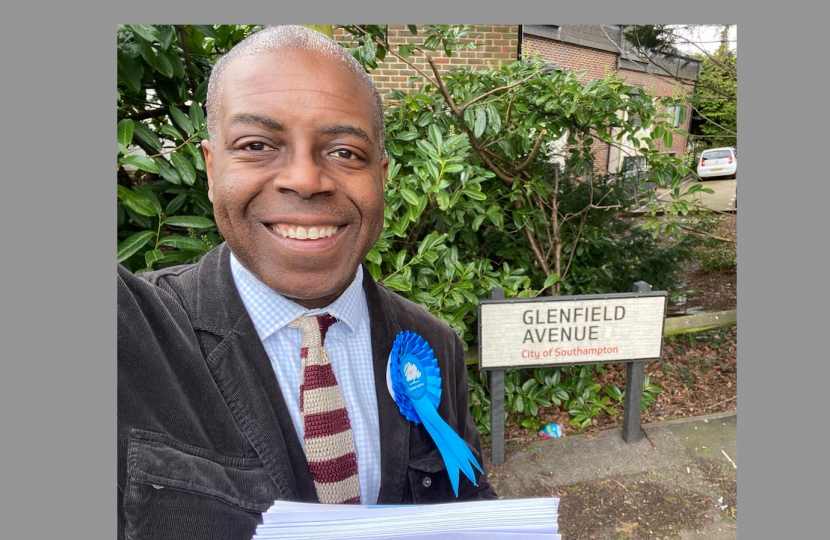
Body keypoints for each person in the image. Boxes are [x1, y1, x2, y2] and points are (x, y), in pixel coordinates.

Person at [117, 25, 497, 540]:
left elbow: (465, 499)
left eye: (344, 152)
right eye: (256, 144)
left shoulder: (433, 345)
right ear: (211, 168)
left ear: (381, 177)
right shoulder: (130, 336)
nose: (305, 178)